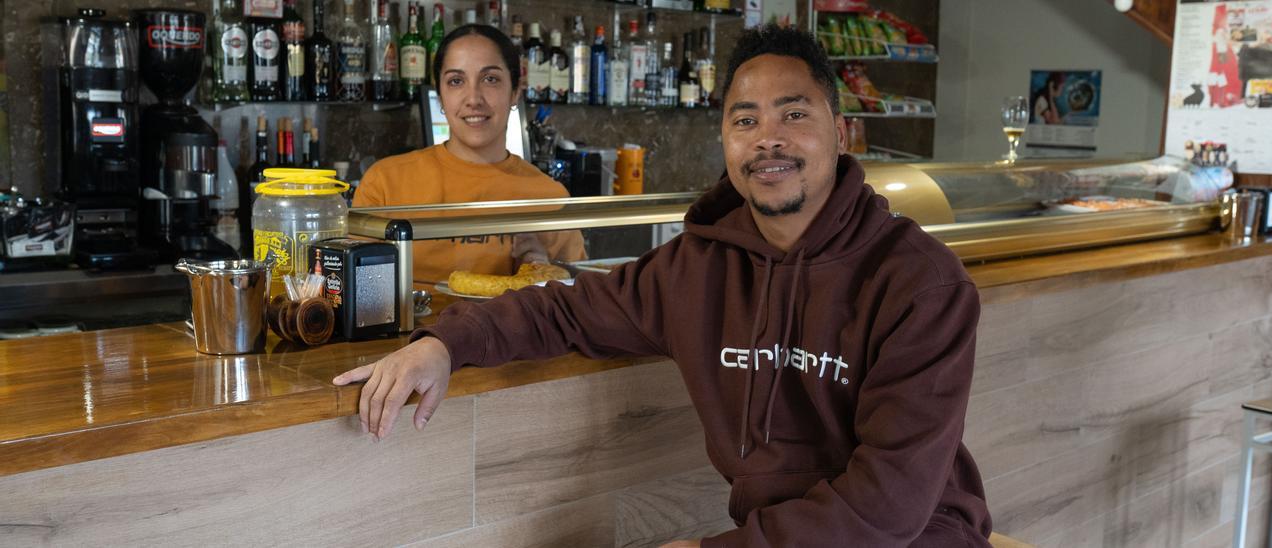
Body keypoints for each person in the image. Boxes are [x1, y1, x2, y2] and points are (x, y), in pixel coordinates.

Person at [335, 25, 992, 547]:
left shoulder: (921, 284)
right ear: (725, 140)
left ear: (842, 133)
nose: (769, 139)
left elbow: (888, 508)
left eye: (794, 115)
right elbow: (565, 310)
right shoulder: (698, 269)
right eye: (745, 119)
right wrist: (444, 345)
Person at [354, 24, 584, 288]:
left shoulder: (551, 198)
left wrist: (542, 272)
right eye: (456, 81)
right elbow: (359, 294)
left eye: (490, 79)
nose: (473, 98)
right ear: (440, 96)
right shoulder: (385, 183)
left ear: (515, 92)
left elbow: (574, 307)